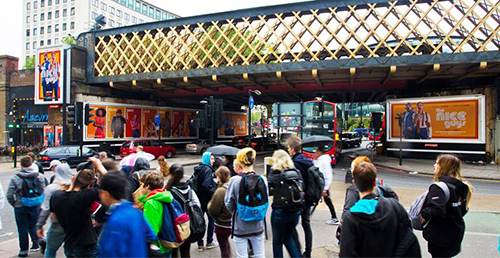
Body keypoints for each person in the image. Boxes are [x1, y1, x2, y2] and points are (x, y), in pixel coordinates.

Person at [339, 162, 420, 257]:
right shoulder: (395, 206)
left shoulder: (351, 217)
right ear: (375, 182)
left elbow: (347, 253)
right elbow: (408, 239)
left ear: (355, 183)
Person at [50, 157, 107, 258]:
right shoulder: (83, 197)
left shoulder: (56, 196)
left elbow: (54, 218)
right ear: (89, 186)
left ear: (72, 179)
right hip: (87, 246)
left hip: (69, 245)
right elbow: (110, 181)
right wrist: (98, 164)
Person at [421, 154, 472, 257]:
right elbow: (463, 210)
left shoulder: (439, 187)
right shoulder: (462, 187)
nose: (434, 165)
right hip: (455, 232)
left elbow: (437, 210)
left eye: (437, 163)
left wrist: (423, 214)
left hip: (440, 235)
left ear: (444, 166)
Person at [97, 172, 157, 257]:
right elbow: (150, 235)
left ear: (106, 193)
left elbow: (111, 252)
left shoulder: (116, 220)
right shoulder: (135, 212)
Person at [225, 148, 267, 258]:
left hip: (240, 225)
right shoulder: (263, 179)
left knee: (242, 255)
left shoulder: (235, 180)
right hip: (258, 224)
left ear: (240, 161)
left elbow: (228, 203)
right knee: (260, 254)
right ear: (254, 160)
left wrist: (238, 211)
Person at [7, 156, 47, 257]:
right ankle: (40, 240)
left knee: (22, 228)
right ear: (31, 164)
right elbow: (44, 190)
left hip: (20, 206)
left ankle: (23, 250)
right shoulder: (39, 176)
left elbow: (9, 194)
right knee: (34, 225)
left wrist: (14, 204)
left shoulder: (16, 177)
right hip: (35, 204)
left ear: (21, 165)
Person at [267, 150, 302, 258]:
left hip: (280, 210)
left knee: (277, 242)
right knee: (288, 237)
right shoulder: (296, 172)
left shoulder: (275, 172)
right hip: (295, 210)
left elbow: (268, 189)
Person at [36, 163, 73, 258]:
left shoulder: (52, 188)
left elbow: (46, 209)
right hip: (74, 223)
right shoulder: (75, 185)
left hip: (58, 223)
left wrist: (40, 225)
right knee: (71, 249)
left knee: (50, 249)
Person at [286, 136, 314, 258]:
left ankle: (296, 252)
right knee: (306, 225)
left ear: (292, 149)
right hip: (309, 198)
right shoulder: (308, 161)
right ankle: (307, 253)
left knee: (291, 226)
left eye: (288, 148)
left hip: (298, 200)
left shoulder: (294, 164)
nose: (288, 150)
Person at [166, 164, 202, 258]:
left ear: (171, 174)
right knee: (186, 252)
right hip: (187, 226)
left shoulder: (168, 191)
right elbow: (198, 205)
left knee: (174, 252)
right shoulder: (189, 189)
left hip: (173, 227)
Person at [137, 171, 174, 255]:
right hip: (167, 242)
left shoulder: (150, 203)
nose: (140, 188)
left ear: (148, 186)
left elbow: (152, 229)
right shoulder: (164, 196)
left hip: (157, 246)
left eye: (141, 185)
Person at [192, 152, 218, 252]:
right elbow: (206, 186)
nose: (213, 160)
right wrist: (215, 190)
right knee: (212, 220)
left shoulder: (199, 168)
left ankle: (200, 244)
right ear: (207, 159)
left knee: (200, 221)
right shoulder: (207, 170)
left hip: (198, 199)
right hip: (207, 200)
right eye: (211, 159)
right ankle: (209, 241)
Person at [208, 166, 232, 258]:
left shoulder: (220, 191)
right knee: (226, 244)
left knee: (223, 247)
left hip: (222, 224)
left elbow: (213, 210)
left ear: (220, 176)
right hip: (231, 222)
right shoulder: (231, 187)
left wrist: (209, 203)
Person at [313, 147, 338, 225]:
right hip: (319, 184)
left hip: (323, 184)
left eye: (316, 152)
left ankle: (334, 218)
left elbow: (328, 175)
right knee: (319, 200)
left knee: (322, 200)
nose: (314, 153)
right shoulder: (319, 160)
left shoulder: (324, 161)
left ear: (320, 152)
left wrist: (325, 188)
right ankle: (334, 217)